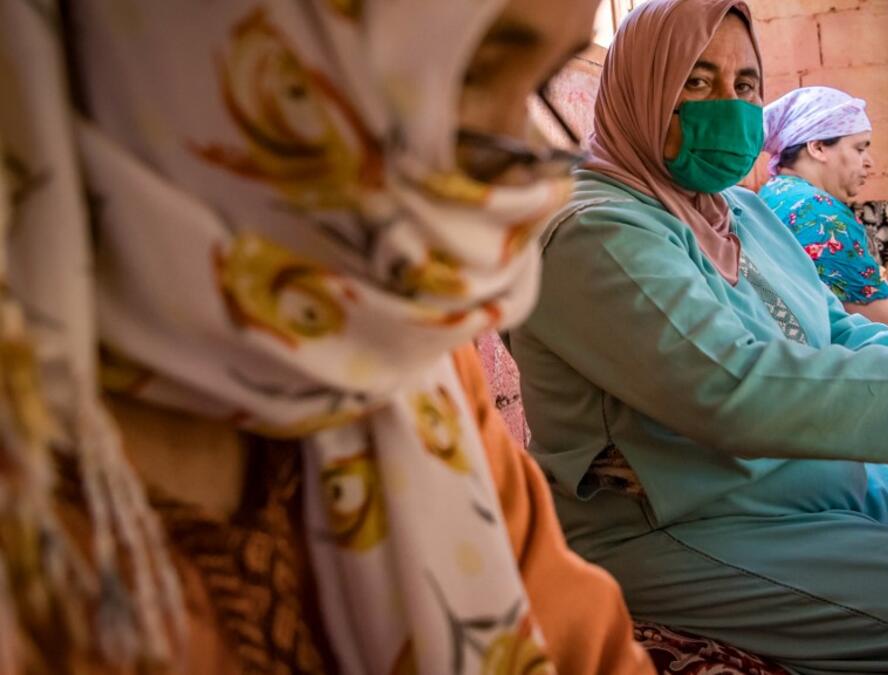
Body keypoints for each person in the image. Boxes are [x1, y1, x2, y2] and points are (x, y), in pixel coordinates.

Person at [0, 0, 652, 673]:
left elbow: (585, 644)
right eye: (468, 75)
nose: (533, 187)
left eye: (542, 82)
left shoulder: (407, 364)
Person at [508, 1, 888, 672]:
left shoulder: (740, 210)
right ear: (640, 85)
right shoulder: (594, 230)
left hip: (795, 481)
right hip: (680, 520)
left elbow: (835, 329)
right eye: (697, 80)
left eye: (745, 86)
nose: (731, 106)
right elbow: (731, 386)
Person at [759, 87, 888, 342]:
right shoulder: (819, 212)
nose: (869, 162)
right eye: (859, 148)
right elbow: (882, 323)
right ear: (818, 147)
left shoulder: (775, 192)